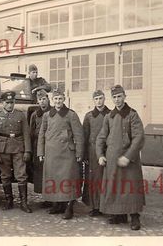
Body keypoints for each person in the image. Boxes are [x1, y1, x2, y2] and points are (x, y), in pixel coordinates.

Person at [96, 84, 145, 231]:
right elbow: (101, 137)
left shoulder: (132, 114)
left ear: (124, 96)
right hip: (112, 160)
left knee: (131, 188)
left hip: (129, 160)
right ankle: (119, 214)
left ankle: (135, 216)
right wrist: (100, 155)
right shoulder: (108, 117)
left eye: (119, 96)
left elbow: (139, 137)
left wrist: (128, 156)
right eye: (114, 97)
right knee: (115, 188)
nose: (117, 100)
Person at [37, 89, 84, 219]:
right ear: (53, 100)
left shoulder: (71, 115)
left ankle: (69, 206)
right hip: (51, 152)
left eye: (60, 99)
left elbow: (79, 135)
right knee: (54, 179)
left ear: (64, 99)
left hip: (67, 153)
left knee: (67, 179)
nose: (58, 101)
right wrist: (41, 152)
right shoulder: (47, 115)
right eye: (56, 99)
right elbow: (42, 134)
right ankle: (57, 204)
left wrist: (79, 152)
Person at [0, 91, 32, 213]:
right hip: (3, 149)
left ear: (14, 102)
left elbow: (26, 134)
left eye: (12, 102)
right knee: (5, 175)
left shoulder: (20, 115)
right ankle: (9, 201)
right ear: (2, 103)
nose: (9, 105)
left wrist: (27, 151)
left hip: (19, 148)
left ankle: (24, 203)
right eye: (7, 102)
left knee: (21, 175)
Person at [82, 90, 110, 217]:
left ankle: (107, 205)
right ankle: (94, 206)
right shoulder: (89, 116)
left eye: (101, 98)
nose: (99, 101)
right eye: (96, 99)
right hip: (92, 152)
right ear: (93, 101)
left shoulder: (110, 114)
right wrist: (84, 155)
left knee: (106, 178)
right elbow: (84, 136)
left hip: (107, 151)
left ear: (104, 99)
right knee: (93, 179)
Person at [29, 90, 51, 200]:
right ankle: (45, 197)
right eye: (40, 100)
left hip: (51, 145)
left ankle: (52, 197)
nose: (42, 102)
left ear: (48, 99)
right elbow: (31, 132)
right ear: (37, 101)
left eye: (44, 99)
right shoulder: (35, 115)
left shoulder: (53, 112)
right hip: (38, 145)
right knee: (40, 171)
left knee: (51, 171)